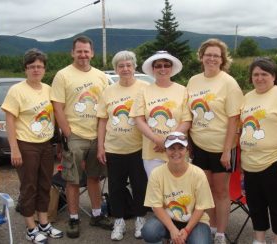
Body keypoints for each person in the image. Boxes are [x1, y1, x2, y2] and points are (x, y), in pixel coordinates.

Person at [50, 35, 112, 239]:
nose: (83, 55)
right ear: (72, 53)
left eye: (86, 51)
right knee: (73, 180)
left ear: (92, 53)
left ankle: (96, 214)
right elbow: (57, 107)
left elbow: (107, 105)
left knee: (95, 177)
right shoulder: (63, 75)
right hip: (75, 135)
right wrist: (67, 134)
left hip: (97, 136)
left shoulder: (101, 76)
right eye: (79, 51)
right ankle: (74, 218)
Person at [2, 48, 63, 243]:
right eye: (32, 67)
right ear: (25, 69)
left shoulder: (48, 89)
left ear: (44, 69)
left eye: (39, 66)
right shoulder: (17, 90)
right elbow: (9, 121)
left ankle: (43, 223)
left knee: (45, 184)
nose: (36, 70)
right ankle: (31, 227)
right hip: (26, 145)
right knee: (29, 186)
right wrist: (14, 148)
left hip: (45, 145)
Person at [186, 38, 243, 244]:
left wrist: (227, 150)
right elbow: (190, 114)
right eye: (208, 54)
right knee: (205, 190)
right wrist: (190, 144)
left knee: (220, 192)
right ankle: (209, 227)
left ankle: (220, 233)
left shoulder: (229, 83)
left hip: (222, 148)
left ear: (222, 59)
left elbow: (234, 120)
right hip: (199, 146)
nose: (211, 58)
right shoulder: (193, 81)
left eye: (216, 55)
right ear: (201, 57)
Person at [239, 57, 277, 244]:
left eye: (264, 74)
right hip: (249, 162)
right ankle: (259, 239)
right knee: (255, 204)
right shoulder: (247, 97)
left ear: (274, 76)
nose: (259, 78)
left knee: (276, 205)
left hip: (274, 161)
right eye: (255, 74)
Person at [97, 50, 149, 241]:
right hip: (114, 148)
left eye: (128, 65)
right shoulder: (108, 91)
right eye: (121, 66)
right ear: (115, 69)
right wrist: (101, 146)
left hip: (139, 147)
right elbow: (102, 120)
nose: (125, 69)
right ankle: (118, 221)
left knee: (140, 185)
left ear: (134, 67)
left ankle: (140, 218)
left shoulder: (145, 88)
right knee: (116, 187)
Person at [141, 131, 214, 244]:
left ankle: (181, 238)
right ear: (165, 150)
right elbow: (156, 206)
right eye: (171, 148)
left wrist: (186, 230)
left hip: (195, 222)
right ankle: (171, 238)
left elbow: (201, 207)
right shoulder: (156, 173)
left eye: (181, 148)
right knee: (149, 231)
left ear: (187, 151)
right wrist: (172, 229)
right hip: (168, 220)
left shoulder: (198, 174)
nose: (176, 152)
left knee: (200, 242)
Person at [129, 51, 191, 178]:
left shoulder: (183, 90)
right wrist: (157, 140)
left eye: (166, 65)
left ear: (171, 68)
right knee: (156, 189)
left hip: (178, 150)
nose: (163, 68)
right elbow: (139, 120)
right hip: (153, 152)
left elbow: (187, 120)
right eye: (158, 65)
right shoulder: (144, 91)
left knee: (178, 189)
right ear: (153, 69)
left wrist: (169, 142)